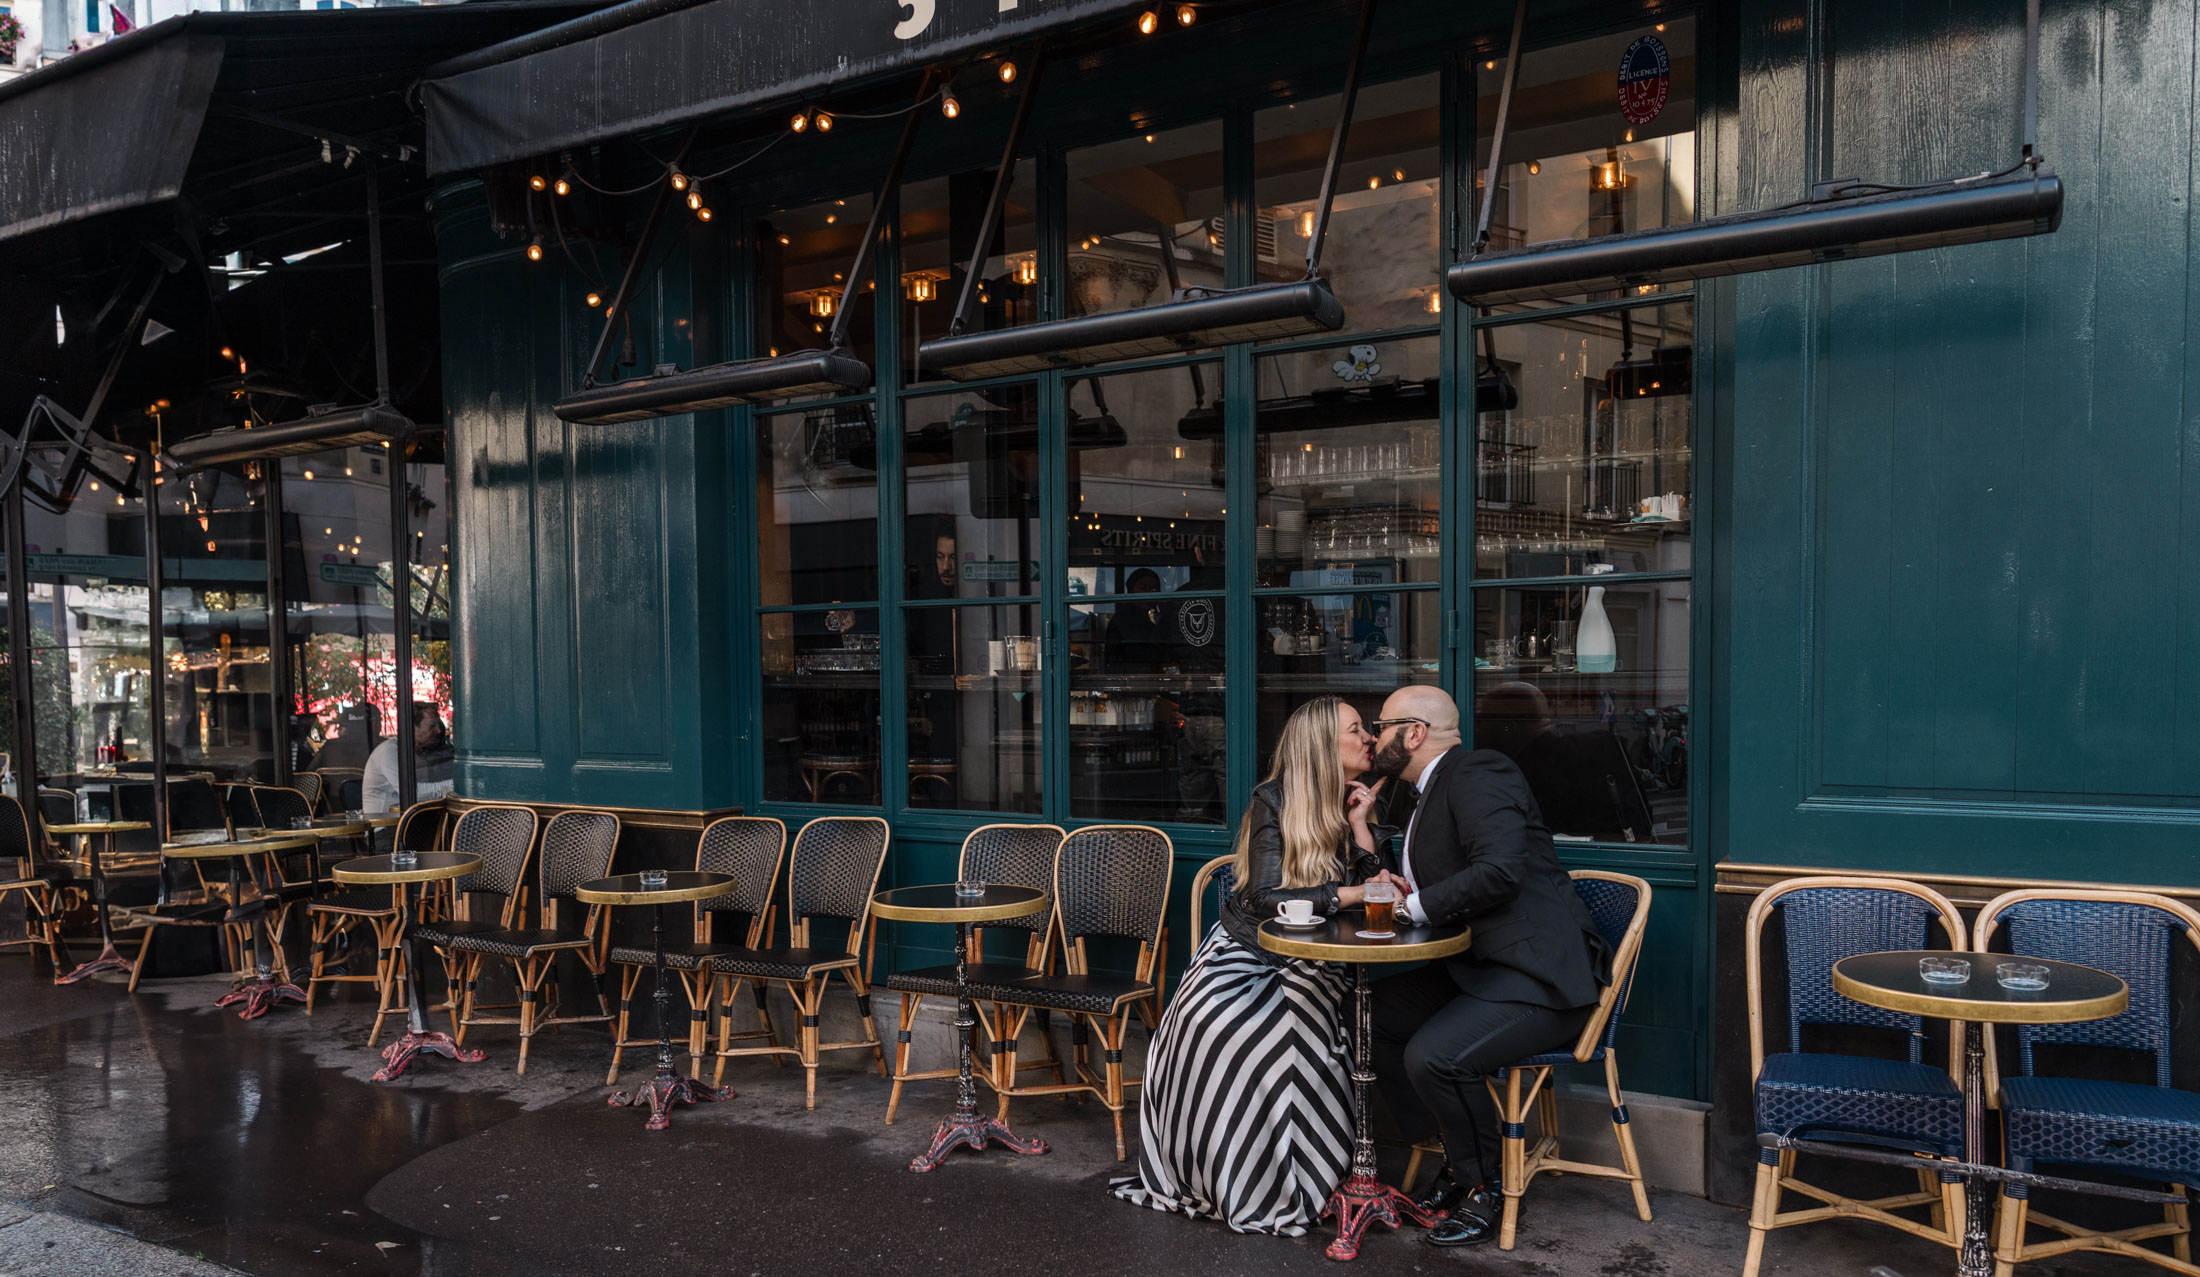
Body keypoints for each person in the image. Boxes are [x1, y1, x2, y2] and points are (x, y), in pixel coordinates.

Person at [1111, 696, 1389, 1235]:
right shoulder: (1275, 798)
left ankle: (1279, 1182)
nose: (1370, 738)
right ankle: (1210, 1176)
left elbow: (1379, 884)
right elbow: (1263, 897)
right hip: (1245, 951)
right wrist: (1353, 893)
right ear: (1322, 748)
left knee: (1263, 1040)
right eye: (1357, 730)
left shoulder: (1363, 800)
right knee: (1198, 1021)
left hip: (1317, 961)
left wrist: (1360, 826)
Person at [1363, 684, 1611, 1247]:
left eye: (1383, 725)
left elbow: (1499, 871)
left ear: (1415, 733)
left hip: (1539, 979)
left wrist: (1414, 906)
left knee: (1437, 1057)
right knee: (1372, 1018)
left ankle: (1483, 1187)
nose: (1377, 737)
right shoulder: (1427, 790)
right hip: (1477, 967)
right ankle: (1456, 1157)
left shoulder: (1478, 772)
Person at [361, 703, 455, 813]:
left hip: (413, 820)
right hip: (387, 826)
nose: (439, 730)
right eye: (432, 725)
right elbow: (414, 792)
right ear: (412, 727)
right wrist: (455, 785)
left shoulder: (418, 752)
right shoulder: (389, 752)